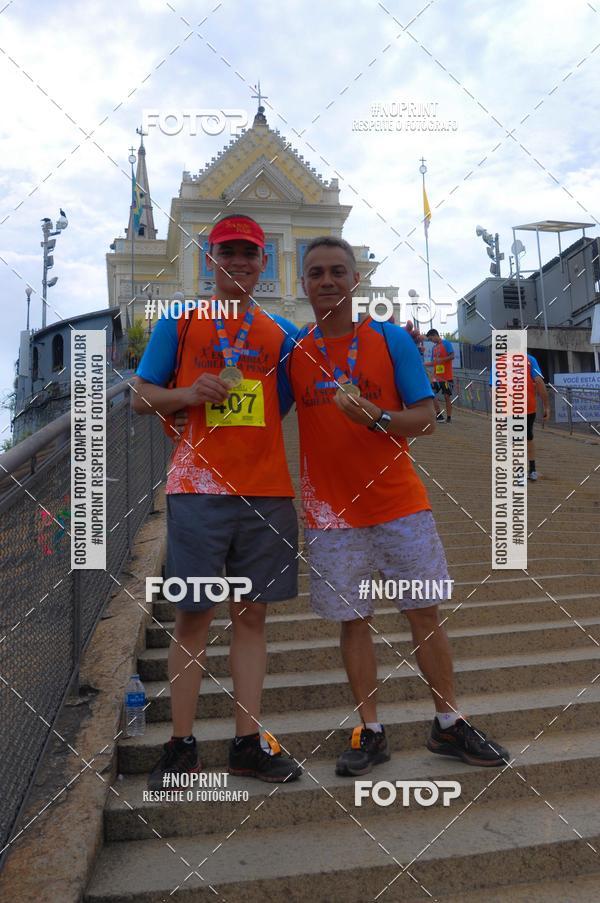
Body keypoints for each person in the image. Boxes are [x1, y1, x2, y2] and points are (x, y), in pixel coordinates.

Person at [286, 236, 510, 775]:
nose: (327, 281)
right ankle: (371, 730)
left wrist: (378, 419)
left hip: (399, 504)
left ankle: (449, 724)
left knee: (424, 614)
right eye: (316, 273)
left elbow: (427, 415)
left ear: (355, 279)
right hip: (330, 516)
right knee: (353, 620)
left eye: (338, 271)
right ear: (304, 284)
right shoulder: (296, 352)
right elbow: (258, 412)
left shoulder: (390, 341)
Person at [132, 214, 302, 787]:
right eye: (228, 252)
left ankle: (247, 742)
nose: (239, 262)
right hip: (197, 491)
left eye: (250, 254)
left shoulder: (279, 331)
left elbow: (281, 406)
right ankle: (181, 745)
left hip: (266, 490)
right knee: (193, 615)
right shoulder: (179, 322)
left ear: (263, 261)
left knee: (251, 617)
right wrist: (187, 394)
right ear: (211, 260)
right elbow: (140, 395)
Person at [490, 351, 550, 481]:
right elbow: (539, 382)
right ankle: (532, 470)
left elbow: (494, 389)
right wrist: (546, 406)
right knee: (528, 437)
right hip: (528, 406)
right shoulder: (530, 359)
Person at [425, 328, 454, 422]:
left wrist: (441, 360)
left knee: (446, 397)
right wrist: (423, 364)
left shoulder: (446, 343)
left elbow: (452, 356)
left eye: (430, 339)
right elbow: (433, 362)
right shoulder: (434, 348)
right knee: (431, 394)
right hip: (436, 378)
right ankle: (439, 415)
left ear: (435, 335)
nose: (431, 341)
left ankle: (449, 417)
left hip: (447, 377)